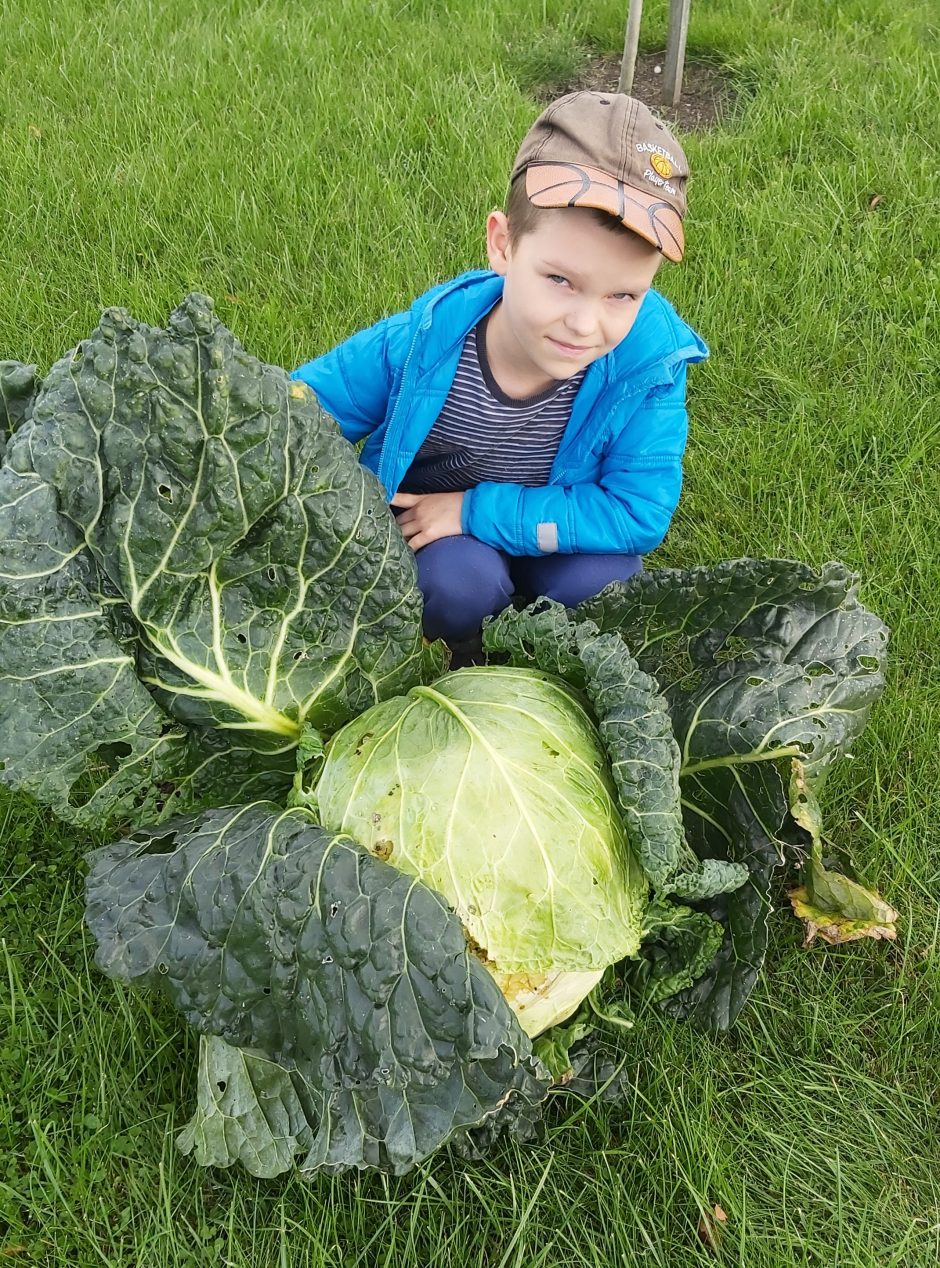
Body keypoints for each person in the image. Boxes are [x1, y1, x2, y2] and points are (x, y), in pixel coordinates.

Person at [291, 91, 707, 652]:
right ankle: (463, 668)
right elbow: (296, 414)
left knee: (603, 584)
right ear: (503, 244)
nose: (586, 323)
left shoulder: (648, 366)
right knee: (457, 586)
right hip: (442, 539)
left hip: (561, 525)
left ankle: (553, 667)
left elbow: (638, 512)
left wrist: (475, 510)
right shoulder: (427, 340)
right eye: (560, 280)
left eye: (623, 295)